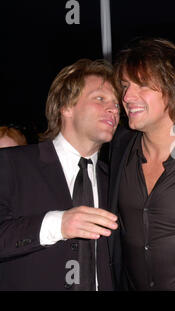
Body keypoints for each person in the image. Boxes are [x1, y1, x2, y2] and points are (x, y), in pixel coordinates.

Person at [0, 59, 120, 290]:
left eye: (116, 104)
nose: (113, 109)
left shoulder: (115, 181)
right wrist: (58, 224)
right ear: (66, 106)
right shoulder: (11, 164)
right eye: (100, 98)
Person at [109, 38, 175, 291]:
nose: (127, 96)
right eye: (125, 86)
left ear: (174, 88)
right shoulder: (119, 148)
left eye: (141, 85)